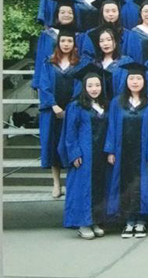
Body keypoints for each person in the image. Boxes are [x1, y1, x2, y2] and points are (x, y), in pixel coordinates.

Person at [105, 62, 148, 238]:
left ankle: (142, 220)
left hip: (144, 153)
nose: (135, 82)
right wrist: (111, 150)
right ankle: (129, 220)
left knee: (143, 185)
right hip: (123, 152)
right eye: (131, 78)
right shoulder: (117, 102)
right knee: (125, 183)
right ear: (126, 81)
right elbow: (112, 127)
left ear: (144, 81)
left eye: (138, 78)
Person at [59, 66, 111, 239]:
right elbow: (70, 132)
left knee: (99, 187)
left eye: (97, 85)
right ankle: (83, 223)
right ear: (84, 87)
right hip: (84, 153)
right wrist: (74, 152)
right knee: (83, 188)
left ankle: (95, 220)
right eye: (90, 85)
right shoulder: (76, 106)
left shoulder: (104, 105)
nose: (94, 89)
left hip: (101, 153)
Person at [38, 26, 87, 198]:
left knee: (73, 145)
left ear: (74, 44)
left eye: (69, 41)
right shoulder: (49, 62)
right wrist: (53, 105)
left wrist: (71, 107)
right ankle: (56, 184)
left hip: (73, 110)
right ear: (58, 43)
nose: (66, 44)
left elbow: (81, 87)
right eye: (63, 41)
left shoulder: (80, 63)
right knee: (54, 145)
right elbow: (43, 85)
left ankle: (72, 184)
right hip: (53, 112)